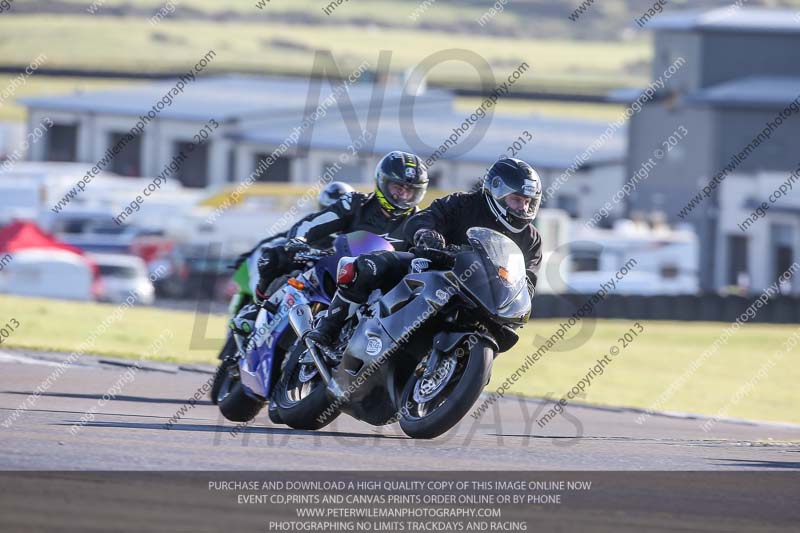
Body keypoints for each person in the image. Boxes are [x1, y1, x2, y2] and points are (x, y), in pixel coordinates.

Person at [304, 157, 543, 351]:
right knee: (370, 265)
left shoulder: (531, 239)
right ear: (497, 192)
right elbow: (423, 218)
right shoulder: (464, 203)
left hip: (480, 296)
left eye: (528, 202)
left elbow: (528, 280)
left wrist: (519, 298)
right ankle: (329, 327)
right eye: (516, 200)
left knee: (502, 332)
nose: (523, 208)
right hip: (434, 268)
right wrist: (426, 233)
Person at [230, 152, 429, 335]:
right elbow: (313, 223)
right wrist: (298, 239)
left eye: (410, 191)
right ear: (382, 182)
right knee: (274, 257)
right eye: (397, 188)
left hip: (379, 290)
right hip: (334, 269)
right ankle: (257, 308)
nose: (402, 196)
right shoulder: (356, 203)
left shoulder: (421, 223)